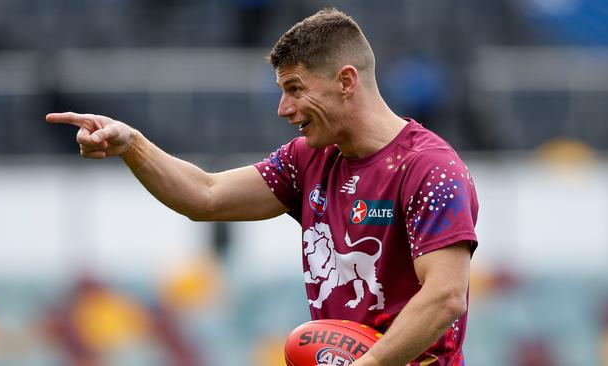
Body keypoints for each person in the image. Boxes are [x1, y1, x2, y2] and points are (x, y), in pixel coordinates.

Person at [46, 8, 478, 366]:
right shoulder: (307, 158)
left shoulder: (430, 169)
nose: (283, 108)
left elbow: (444, 297)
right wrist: (132, 145)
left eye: (295, 89)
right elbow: (206, 195)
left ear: (346, 81)